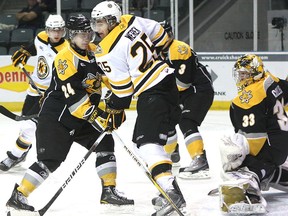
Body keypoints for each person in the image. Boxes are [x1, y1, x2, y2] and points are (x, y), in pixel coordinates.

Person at [6, 14, 134, 213]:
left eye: (88, 33)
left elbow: (109, 77)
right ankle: (18, 195)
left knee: (105, 142)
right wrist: (100, 116)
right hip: (58, 118)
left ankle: (109, 191)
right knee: (50, 162)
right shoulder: (65, 58)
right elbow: (75, 101)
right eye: (80, 34)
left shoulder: (95, 51)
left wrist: (116, 104)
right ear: (71, 35)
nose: (86, 38)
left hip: (81, 118)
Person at [91, 1, 187, 215]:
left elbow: (123, 93)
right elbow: (162, 36)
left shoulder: (105, 51)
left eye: (101, 23)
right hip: (168, 83)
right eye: (95, 23)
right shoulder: (131, 20)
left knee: (146, 144)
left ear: (112, 21)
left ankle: (171, 192)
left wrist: (110, 109)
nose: (97, 29)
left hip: (153, 93)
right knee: (153, 142)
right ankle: (168, 189)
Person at [218, 54, 288, 214]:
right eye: (239, 74)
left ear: (255, 72)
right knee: (267, 160)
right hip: (282, 143)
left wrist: (241, 162)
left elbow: (255, 140)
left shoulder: (247, 98)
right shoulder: (270, 80)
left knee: (235, 155)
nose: (240, 78)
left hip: (270, 148)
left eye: (244, 74)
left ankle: (247, 189)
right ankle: (273, 172)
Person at [0, 14, 68, 172]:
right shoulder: (41, 38)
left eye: (59, 30)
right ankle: (23, 152)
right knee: (25, 125)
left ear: (63, 30)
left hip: (51, 94)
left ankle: (14, 156)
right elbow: (30, 49)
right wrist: (22, 54)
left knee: (29, 126)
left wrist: (54, 93)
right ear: (47, 30)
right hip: (34, 89)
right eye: (53, 30)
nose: (56, 34)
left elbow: (66, 76)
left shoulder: (66, 50)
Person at [159, 20, 214, 179]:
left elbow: (183, 83)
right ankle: (172, 152)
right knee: (166, 119)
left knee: (186, 122)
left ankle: (200, 160)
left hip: (198, 89)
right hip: (183, 92)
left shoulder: (178, 49)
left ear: (169, 35)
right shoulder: (158, 51)